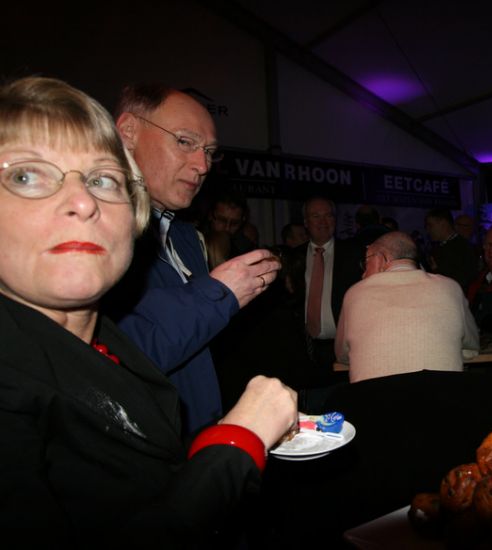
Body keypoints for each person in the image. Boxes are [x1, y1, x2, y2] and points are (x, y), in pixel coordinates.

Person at [0, 76, 297, 546]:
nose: (82, 201)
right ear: (129, 134)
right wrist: (239, 439)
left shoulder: (172, 251)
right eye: (27, 176)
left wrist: (219, 439)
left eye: (103, 180)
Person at [105, 83, 280, 435]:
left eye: (210, 152)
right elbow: (114, 358)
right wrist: (218, 294)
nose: (202, 165)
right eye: (185, 141)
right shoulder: (96, 229)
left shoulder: (185, 238)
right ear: (128, 132)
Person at [335, 232, 479, 382]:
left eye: (366, 262)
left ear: (379, 259)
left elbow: (343, 355)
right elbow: (472, 344)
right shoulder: (450, 288)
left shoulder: (355, 293)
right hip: (439, 395)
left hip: (375, 396)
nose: (363, 274)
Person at [289, 197, 362, 377]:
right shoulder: (294, 257)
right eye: (316, 216)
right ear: (306, 222)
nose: (323, 222)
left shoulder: (354, 253)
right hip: (304, 349)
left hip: (344, 349)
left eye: (328, 215)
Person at [424, 207, 479, 292]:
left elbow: (465, 280)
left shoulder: (462, 248)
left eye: (430, 225)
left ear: (443, 224)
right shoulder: (438, 248)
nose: (428, 230)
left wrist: (436, 270)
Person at [205, 190, 257, 257]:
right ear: (210, 215)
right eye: (222, 220)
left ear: (243, 220)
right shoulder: (196, 241)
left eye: (234, 223)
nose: (227, 228)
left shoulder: (245, 249)